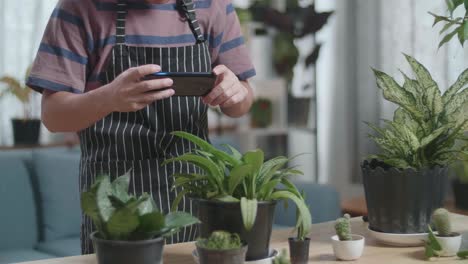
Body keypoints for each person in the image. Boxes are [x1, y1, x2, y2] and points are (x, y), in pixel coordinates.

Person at [27, 0, 256, 254]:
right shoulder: (80, 7)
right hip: (116, 204)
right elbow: (53, 116)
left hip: (194, 196)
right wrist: (109, 98)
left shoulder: (214, 6)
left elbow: (242, 103)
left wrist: (235, 92)